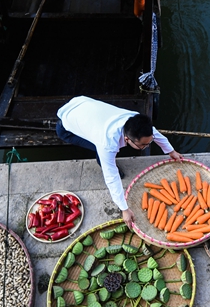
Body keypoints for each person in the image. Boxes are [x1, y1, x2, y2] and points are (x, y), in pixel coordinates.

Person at [56, 95, 183, 227]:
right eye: (143, 146)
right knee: (99, 148)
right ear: (128, 139)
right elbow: (111, 177)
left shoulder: (134, 120)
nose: (147, 146)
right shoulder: (107, 143)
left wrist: (171, 151)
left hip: (82, 103)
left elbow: (154, 134)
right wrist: (124, 209)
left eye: (149, 143)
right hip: (66, 126)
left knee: (102, 147)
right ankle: (102, 160)